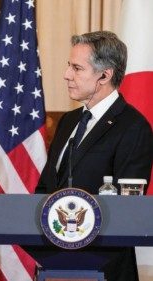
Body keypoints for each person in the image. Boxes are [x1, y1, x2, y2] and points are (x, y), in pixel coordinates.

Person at [36, 31, 152, 281]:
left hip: (105, 268)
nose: (67, 75)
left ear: (104, 75)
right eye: (69, 66)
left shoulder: (133, 127)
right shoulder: (68, 122)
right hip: (56, 263)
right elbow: (46, 187)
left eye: (77, 68)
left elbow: (126, 210)